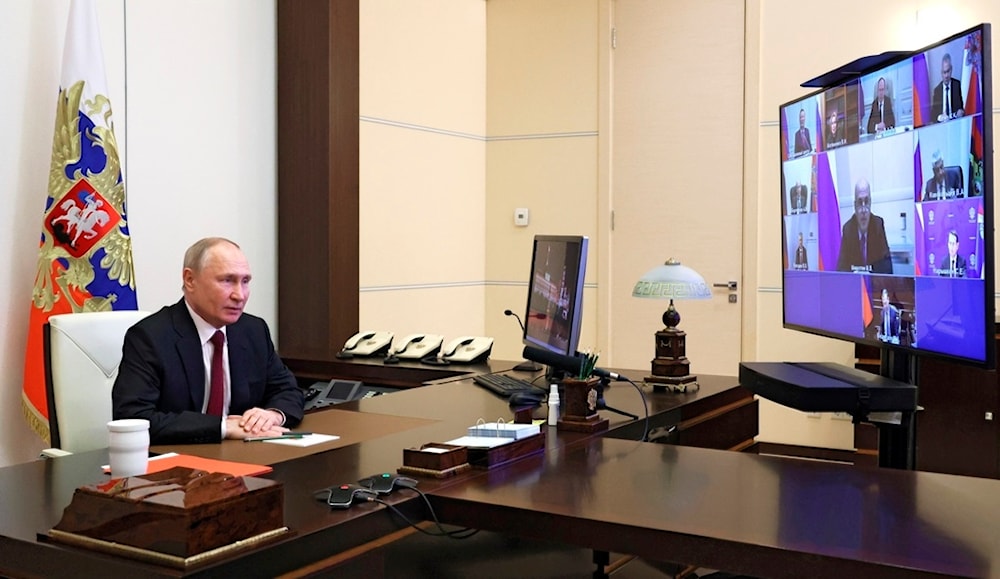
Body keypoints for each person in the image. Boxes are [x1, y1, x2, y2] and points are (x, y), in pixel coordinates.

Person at [113, 237, 305, 444]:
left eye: (245, 281)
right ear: (189, 280)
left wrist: (273, 414)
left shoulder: (253, 330)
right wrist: (222, 427)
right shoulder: (150, 337)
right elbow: (133, 418)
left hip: (244, 458)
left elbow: (287, 389)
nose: (239, 295)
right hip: (177, 464)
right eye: (227, 280)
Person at [837, 178, 892, 273]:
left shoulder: (878, 225)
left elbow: (887, 268)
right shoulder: (848, 229)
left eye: (866, 202)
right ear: (854, 206)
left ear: (870, 203)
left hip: (873, 286)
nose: (863, 210)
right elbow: (841, 269)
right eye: (859, 202)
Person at [932, 53, 964, 123]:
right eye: (944, 72)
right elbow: (933, 116)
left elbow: (961, 108)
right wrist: (940, 117)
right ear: (941, 73)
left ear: (951, 69)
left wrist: (960, 112)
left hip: (955, 123)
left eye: (948, 71)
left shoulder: (957, 85)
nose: (946, 76)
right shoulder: (937, 90)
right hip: (941, 126)